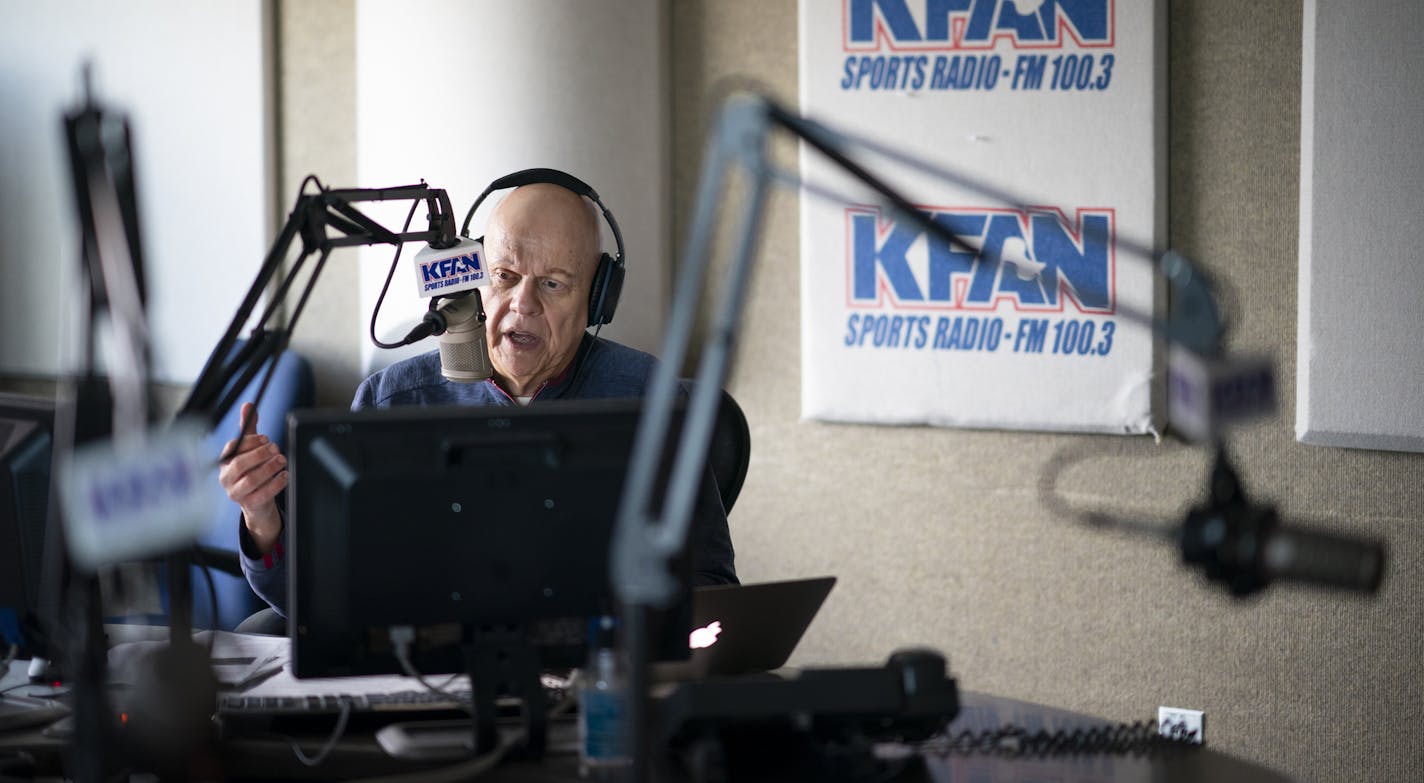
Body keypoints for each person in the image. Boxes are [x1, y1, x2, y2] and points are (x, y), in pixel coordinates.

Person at [219, 180, 737, 624]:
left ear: (596, 299)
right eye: (504, 276)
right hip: (429, 681)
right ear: (471, 277)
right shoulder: (391, 400)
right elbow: (316, 596)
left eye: (553, 284)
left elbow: (711, 583)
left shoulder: (647, 396)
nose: (522, 304)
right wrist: (262, 516)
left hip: (592, 681)